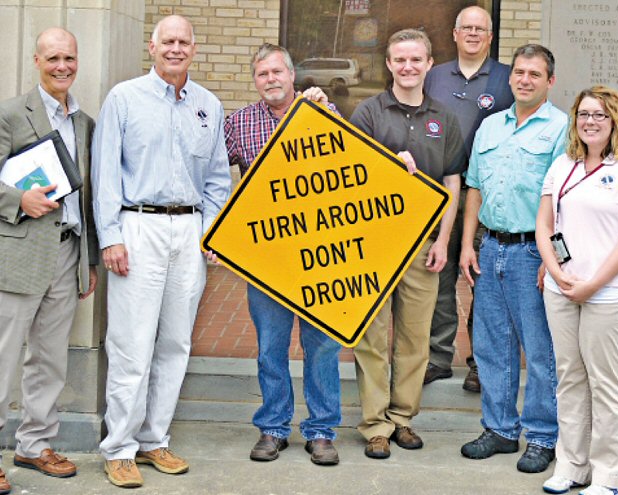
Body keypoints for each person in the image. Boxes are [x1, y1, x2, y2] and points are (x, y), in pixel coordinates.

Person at [92, 15, 231, 488]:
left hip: (188, 231)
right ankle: (120, 448)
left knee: (175, 343)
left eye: (183, 42)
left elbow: (216, 179)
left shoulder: (209, 105)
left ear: (194, 48)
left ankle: (154, 440)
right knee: (131, 344)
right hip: (138, 226)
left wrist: (209, 232)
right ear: (152, 47)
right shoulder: (124, 98)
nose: (175, 48)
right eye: (167, 41)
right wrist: (110, 235)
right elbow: (106, 171)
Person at [224, 43, 342, 466]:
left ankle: (322, 430)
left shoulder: (323, 114)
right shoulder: (237, 124)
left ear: (292, 76)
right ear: (255, 81)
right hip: (266, 255)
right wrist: (226, 236)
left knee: (322, 347)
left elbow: (354, 170)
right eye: (262, 74)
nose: (270, 79)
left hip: (320, 252)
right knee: (271, 347)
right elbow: (216, 180)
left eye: (277, 72)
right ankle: (273, 427)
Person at [349, 28, 465, 459]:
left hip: (423, 246)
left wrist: (443, 239)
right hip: (375, 245)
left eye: (416, 59)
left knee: (416, 337)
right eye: (400, 59)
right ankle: (375, 424)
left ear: (429, 64)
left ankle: (403, 419)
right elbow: (352, 179)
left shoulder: (444, 117)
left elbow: (452, 182)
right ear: (389, 64)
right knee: (372, 337)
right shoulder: (368, 112)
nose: (408, 66)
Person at [459, 44, 567, 474]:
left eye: (534, 74)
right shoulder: (489, 127)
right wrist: (468, 244)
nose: (524, 80)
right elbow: (474, 188)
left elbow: (566, 199)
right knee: (491, 346)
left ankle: (543, 437)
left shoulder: (562, 129)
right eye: (519, 72)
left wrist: (554, 259)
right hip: (491, 248)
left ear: (549, 82)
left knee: (540, 352)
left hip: (531, 253)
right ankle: (501, 429)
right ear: (511, 77)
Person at [0, 27, 98, 493]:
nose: (63, 66)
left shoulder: (85, 123)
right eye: (54, 57)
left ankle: (34, 444)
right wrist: (20, 199)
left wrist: (90, 260)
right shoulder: (10, 114)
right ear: (37, 60)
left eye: (70, 58)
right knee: (1, 359)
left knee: (50, 359)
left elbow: (90, 198)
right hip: (18, 255)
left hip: (67, 253)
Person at [536, 86, 618, 495]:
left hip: (609, 295)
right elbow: (544, 225)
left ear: (615, 121)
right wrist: (555, 272)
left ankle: (609, 474)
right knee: (569, 378)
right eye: (583, 114)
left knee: (605, 381)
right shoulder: (563, 165)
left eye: (599, 115)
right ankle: (572, 466)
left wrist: (593, 283)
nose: (590, 122)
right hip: (561, 291)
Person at [423, 5, 513, 392]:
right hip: (438, 192)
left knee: (484, 278)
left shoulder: (509, 79)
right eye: (467, 28)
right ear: (455, 34)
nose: (474, 34)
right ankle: (437, 357)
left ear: (490, 37)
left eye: (481, 29)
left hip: (486, 194)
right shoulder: (433, 76)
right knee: (438, 273)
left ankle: (480, 361)